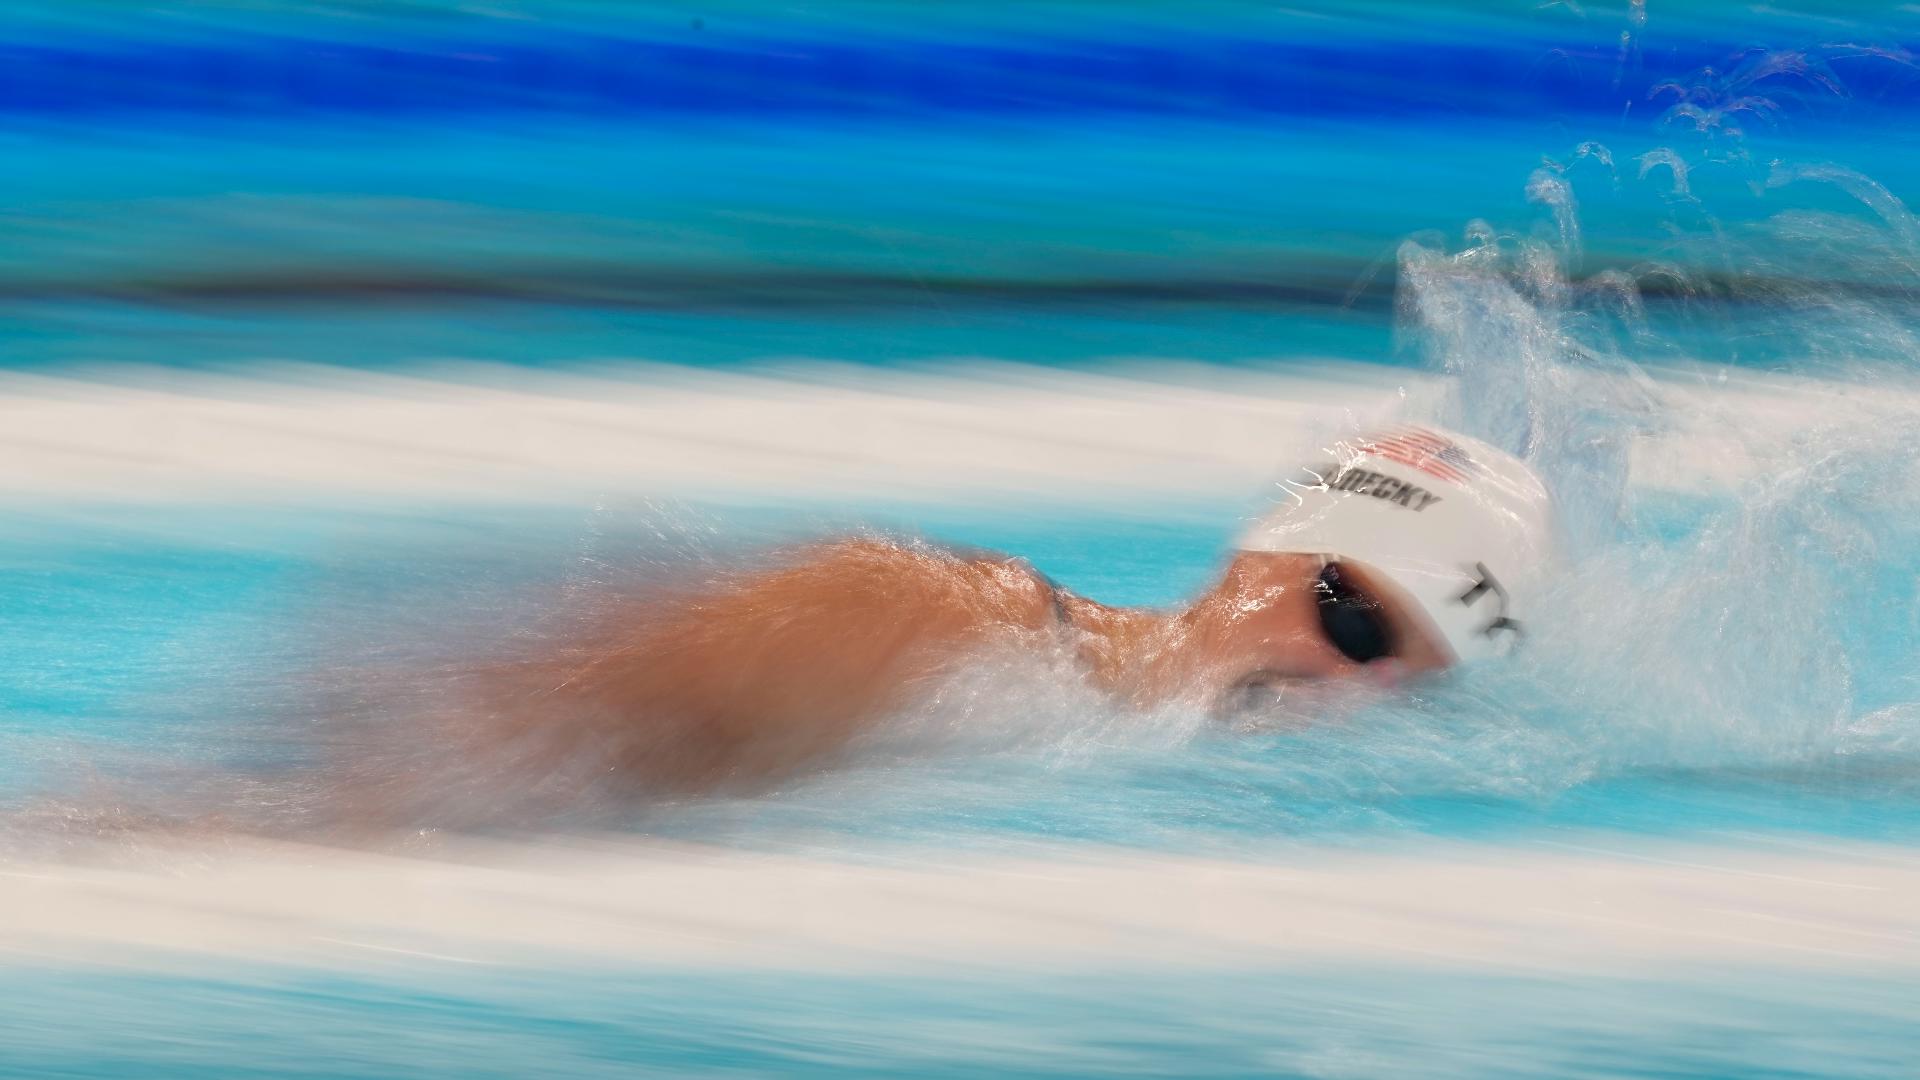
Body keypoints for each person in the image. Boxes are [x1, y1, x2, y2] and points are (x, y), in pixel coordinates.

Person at [506, 425, 1556, 792]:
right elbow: (520, 742)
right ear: (1260, 559)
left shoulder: (1121, 755)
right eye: (1357, 621)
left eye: (1409, 685)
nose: (1349, 685)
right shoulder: (936, 620)